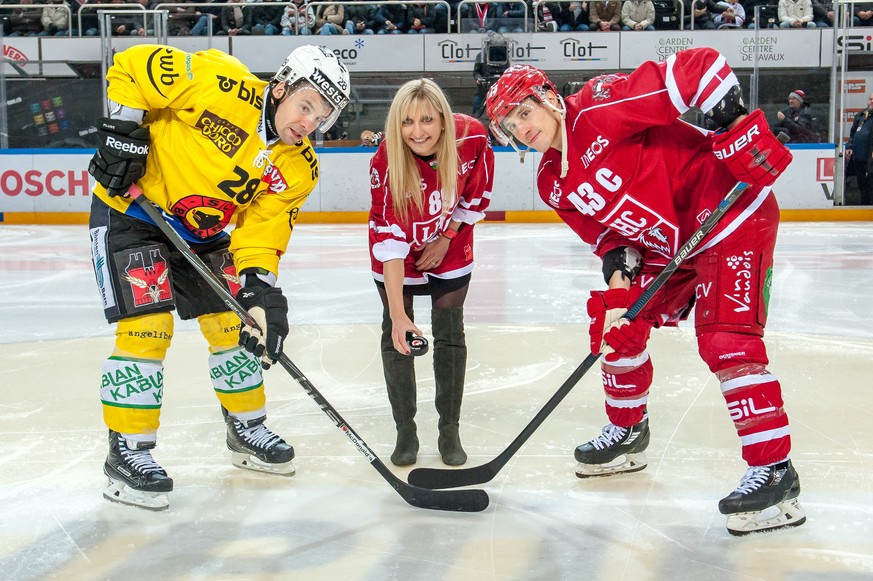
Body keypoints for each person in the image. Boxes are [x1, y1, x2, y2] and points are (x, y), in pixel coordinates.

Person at [484, 47, 804, 536]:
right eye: (511, 124)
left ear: (548, 96)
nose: (523, 127)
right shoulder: (553, 181)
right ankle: (629, 432)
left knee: (726, 342)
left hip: (729, 210)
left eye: (525, 111)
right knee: (615, 331)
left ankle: (776, 472)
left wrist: (736, 125)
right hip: (670, 243)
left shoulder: (599, 106)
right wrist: (619, 300)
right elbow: (613, 241)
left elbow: (699, 68)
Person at [86, 44, 350, 510]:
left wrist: (259, 287)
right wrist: (124, 133)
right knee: (148, 328)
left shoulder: (299, 166)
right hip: (132, 211)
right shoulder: (222, 82)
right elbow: (132, 65)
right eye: (306, 105)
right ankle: (127, 449)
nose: (309, 122)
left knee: (238, 326)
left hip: (202, 232)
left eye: (322, 116)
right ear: (283, 86)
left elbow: (262, 232)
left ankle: (245, 427)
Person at [367, 79, 494, 467]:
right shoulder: (385, 161)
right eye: (406, 122)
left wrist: (447, 236)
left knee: (450, 333)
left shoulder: (472, 138)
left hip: (450, 239)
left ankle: (449, 430)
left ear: (443, 119)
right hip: (398, 253)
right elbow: (388, 238)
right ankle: (405, 431)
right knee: (398, 334)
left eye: (426, 119)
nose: (417, 131)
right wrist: (399, 316)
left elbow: (476, 193)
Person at [846, 92, 873, 205]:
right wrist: (850, 146)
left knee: (871, 183)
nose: (872, 101)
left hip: (870, 157)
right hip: (859, 157)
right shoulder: (861, 116)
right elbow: (853, 134)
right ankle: (865, 204)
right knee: (862, 183)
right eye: (870, 99)